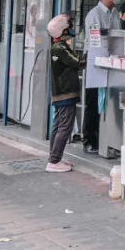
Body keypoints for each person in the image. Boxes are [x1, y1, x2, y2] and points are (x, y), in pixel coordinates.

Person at [83, 0, 120, 155]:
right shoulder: (94, 14)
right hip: (96, 64)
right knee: (93, 102)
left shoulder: (115, 14)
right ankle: (89, 139)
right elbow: (95, 40)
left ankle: (109, 139)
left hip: (112, 64)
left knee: (109, 103)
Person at [46, 14, 83, 172]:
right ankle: (54, 161)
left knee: (58, 125)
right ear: (63, 29)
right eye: (69, 26)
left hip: (59, 92)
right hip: (66, 92)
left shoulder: (55, 46)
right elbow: (78, 62)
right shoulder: (61, 48)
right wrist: (93, 54)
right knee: (65, 126)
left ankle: (54, 157)